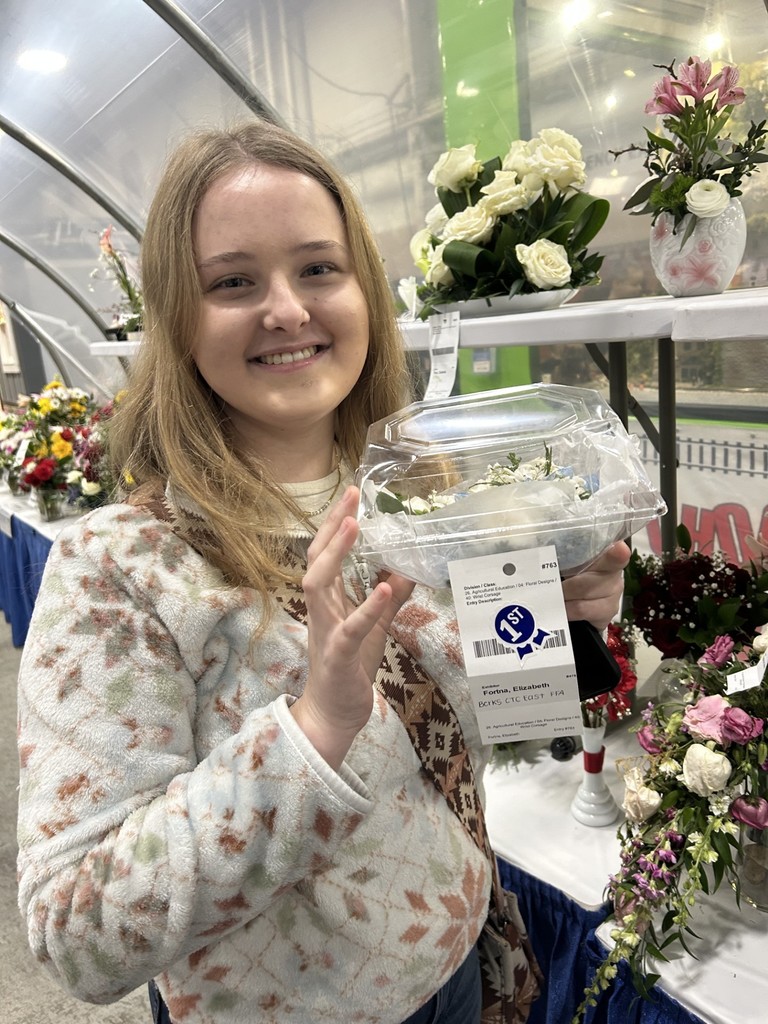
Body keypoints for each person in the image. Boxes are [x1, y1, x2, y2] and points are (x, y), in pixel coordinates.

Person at [16, 119, 629, 1024]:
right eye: (233, 282)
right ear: (177, 317)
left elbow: (490, 732)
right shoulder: (119, 569)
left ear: (366, 292)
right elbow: (78, 931)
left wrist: (560, 628)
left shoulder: (422, 493)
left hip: (465, 974)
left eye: (318, 268)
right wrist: (315, 729)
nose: (288, 310)